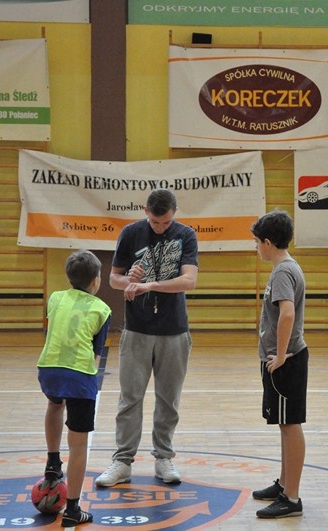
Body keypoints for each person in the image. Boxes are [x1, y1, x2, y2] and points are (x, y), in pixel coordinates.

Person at [96, 188, 198, 487]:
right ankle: (122, 461)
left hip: (174, 330)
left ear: (174, 213)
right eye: (155, 222)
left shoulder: (186, 235)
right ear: (145, 211)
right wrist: (129, 280)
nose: (161, 228)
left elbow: (189, 280)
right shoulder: (130, 233)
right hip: (136, 329)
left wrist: (149, 285)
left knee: (169, 400)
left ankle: (163, 457)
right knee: (130, 398)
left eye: (166, 222)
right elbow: (114, 279)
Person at [37, 249, 112, 528]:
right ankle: (72, 508)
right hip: (79, 373)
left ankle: (52, 463)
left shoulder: (55, 298)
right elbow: (96, 354)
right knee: (78, 443)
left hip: (48, 368)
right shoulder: (102, 309)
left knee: (54, 405)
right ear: (96, 280)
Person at [249, 209, 308, 519]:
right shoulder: (286, 267)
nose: (257, 247)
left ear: (268, 242)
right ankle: (285, 485)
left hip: (286, 361)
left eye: (257, 242)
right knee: (285, 424)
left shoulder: (283, 272)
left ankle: (292, 498)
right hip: (283, 358)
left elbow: (287, 314)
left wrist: (282, 355)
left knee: (290, 424)